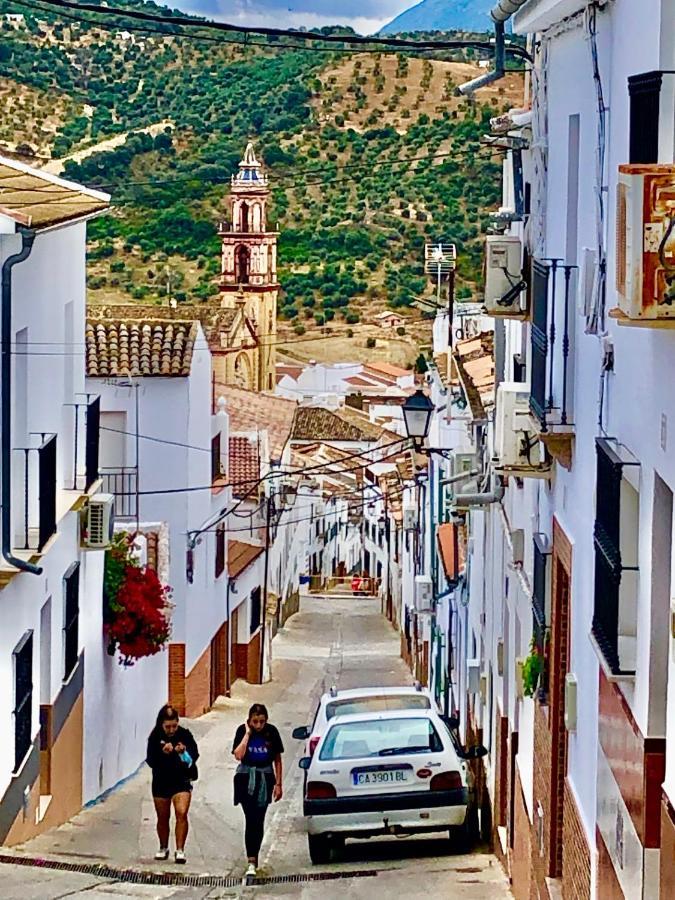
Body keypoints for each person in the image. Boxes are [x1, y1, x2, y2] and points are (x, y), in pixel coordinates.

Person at [232, 703, 284, 877]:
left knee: (259, 819)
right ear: (249, 721)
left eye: (262, 721)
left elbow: (277, 759)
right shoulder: (242, 731)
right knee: (250, 817)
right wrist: (247, 734)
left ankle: (255, 854)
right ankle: (251, 860)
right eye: (255, 722)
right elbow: (238, 755)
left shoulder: (272, 732)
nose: (259, 725)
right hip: (246, 778)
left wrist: (278, 784)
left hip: (265, 779)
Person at [146, 704, 199, 865]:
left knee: (181, 813)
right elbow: (150, 760)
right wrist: (163, 752)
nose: (171, 730)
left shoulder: (184, 735)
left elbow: (194, 755)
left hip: (181, 779)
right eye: (168, 727)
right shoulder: (155, 737)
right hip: (161, 780)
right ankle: (163, 847)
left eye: (174, 726)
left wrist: (183, 752)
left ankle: (180, 849)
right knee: (163, 817)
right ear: (162, 724)